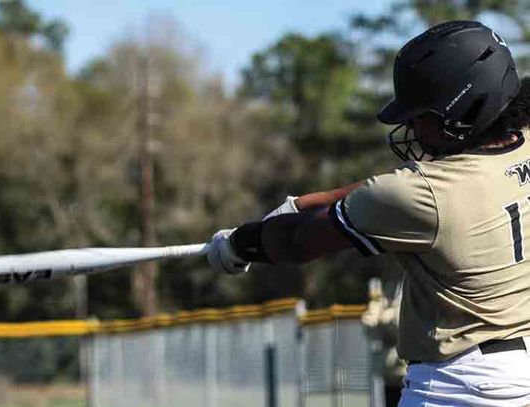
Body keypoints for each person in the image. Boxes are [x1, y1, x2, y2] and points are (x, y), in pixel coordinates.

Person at [208, 20, 530, 407]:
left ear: (465, 107)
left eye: (421, 114)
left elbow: (295, 242)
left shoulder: (423, 194)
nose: (411, 125)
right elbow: (399, 189)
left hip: (460, 387)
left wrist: (240, 243)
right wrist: (307, 201)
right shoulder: (519, 143)